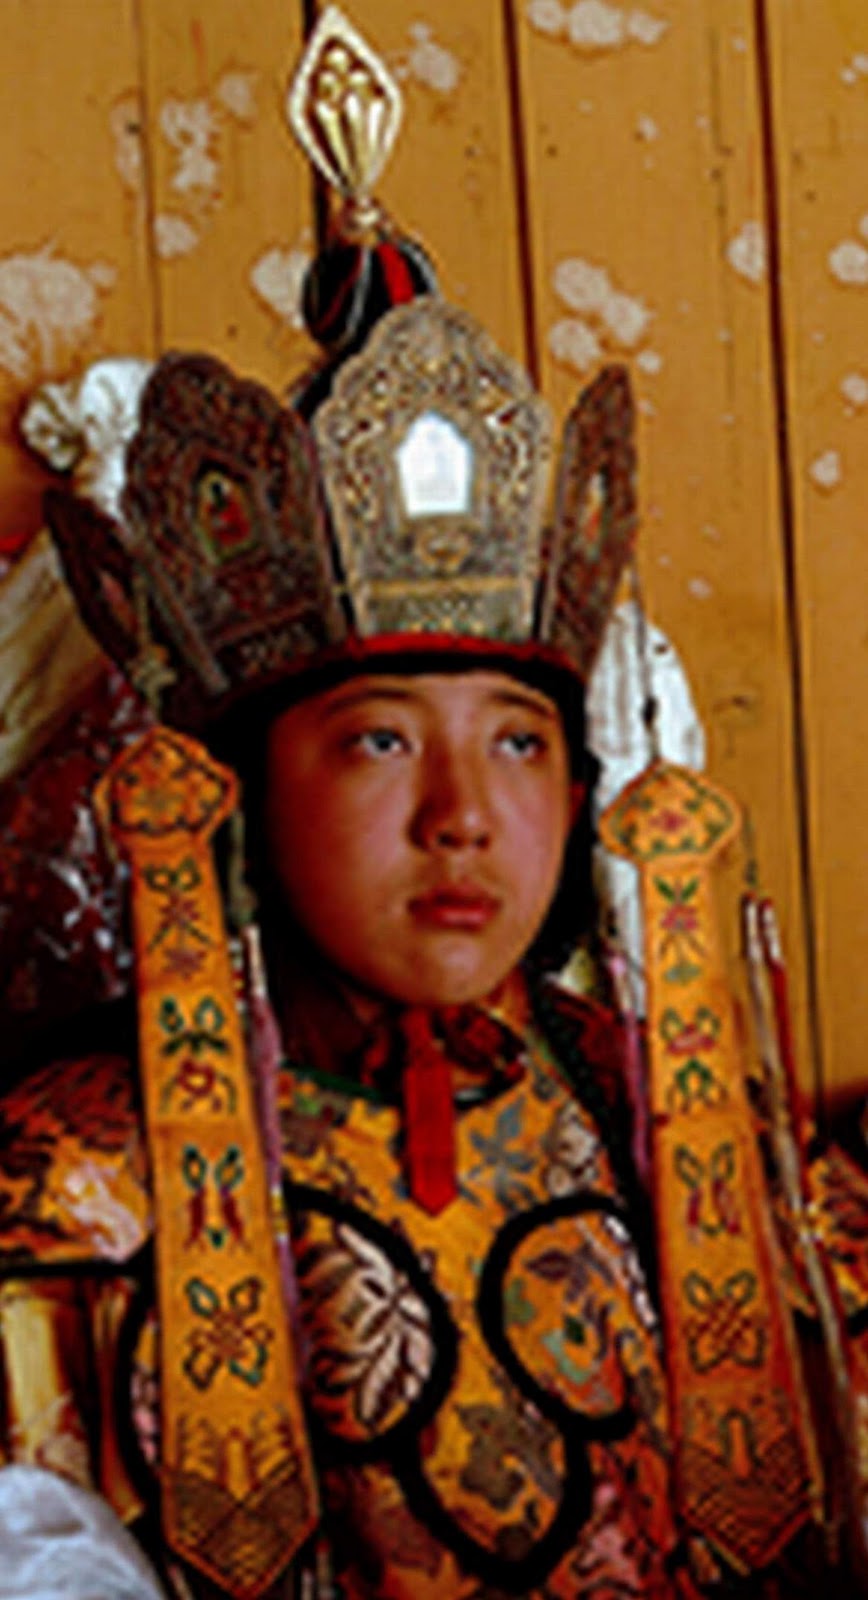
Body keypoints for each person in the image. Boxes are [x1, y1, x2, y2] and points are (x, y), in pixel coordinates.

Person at [2, 11, 868, 1599]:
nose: (464, 814)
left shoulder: (688, 1133)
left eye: (521, 744)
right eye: (379, 744)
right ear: (238, 796)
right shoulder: (81, 1181)